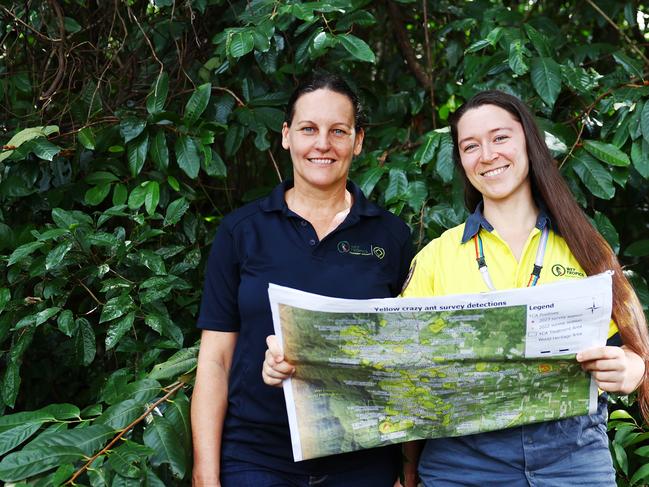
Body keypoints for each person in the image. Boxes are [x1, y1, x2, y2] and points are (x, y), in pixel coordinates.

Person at [397, 89, 649, 486]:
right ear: (462, 162)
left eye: (500, 138)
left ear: (529, 142)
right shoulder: (436, 256)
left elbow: (632, 349)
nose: (487, 154)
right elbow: (402, 368)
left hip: (573, 457)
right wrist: (407, 469)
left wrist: (632, 369)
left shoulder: (586, 246)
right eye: (470, 146)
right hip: (464, 463)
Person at [191, 71, 414, 487]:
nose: (323, 144)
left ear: (358, 140)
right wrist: (206, 473)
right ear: (286, 135)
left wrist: (407, 469)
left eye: (339, 131)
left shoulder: (392, 236)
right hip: (256, 456)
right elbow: (215, 362)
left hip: (363, 459)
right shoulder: (242, 231)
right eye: (309, 129)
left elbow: (404, 362)